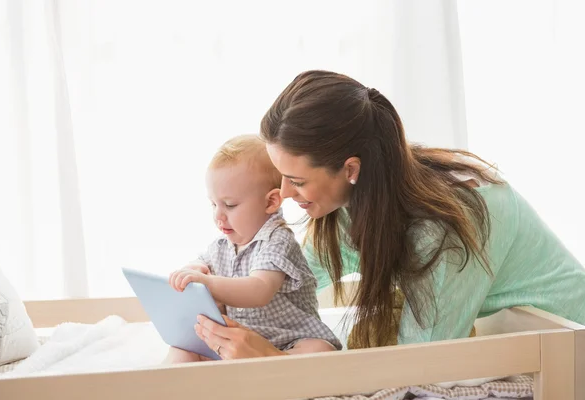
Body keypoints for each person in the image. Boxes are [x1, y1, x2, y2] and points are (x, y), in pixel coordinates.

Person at [194, 70, 585, 356]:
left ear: (350, 169)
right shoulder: (353, 203)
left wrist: (269, 358)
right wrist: (219, 288)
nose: (282, 193)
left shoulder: (444, 226)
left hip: (566, 344)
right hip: (516, 336)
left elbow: (421, 359)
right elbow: (290, 277)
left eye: (296, 180)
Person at [163, 134, 341, 363]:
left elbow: (258, 290)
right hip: (236, 344)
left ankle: (278, 368)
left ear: (270, 202)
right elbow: (202, 264)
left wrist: (207, 282)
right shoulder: (221, 245)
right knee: (182, 348)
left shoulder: (278, 239)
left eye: (230, 205)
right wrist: (195, 269)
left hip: (289, 341)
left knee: (320, 350)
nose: (218, 215)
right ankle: (159, 385)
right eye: (213, 204)